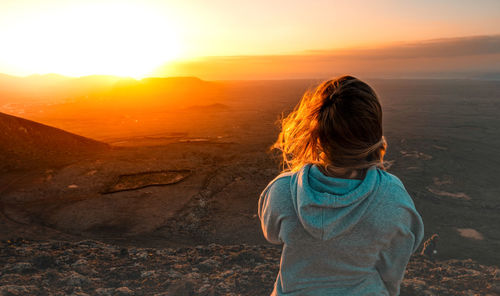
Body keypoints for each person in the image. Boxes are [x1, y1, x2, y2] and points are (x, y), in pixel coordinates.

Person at [258, 75, 424, 295]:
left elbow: (272, 234)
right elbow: (396, 259)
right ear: (373, 134)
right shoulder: (392, 198)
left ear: (316, 134)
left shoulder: (282, 191)